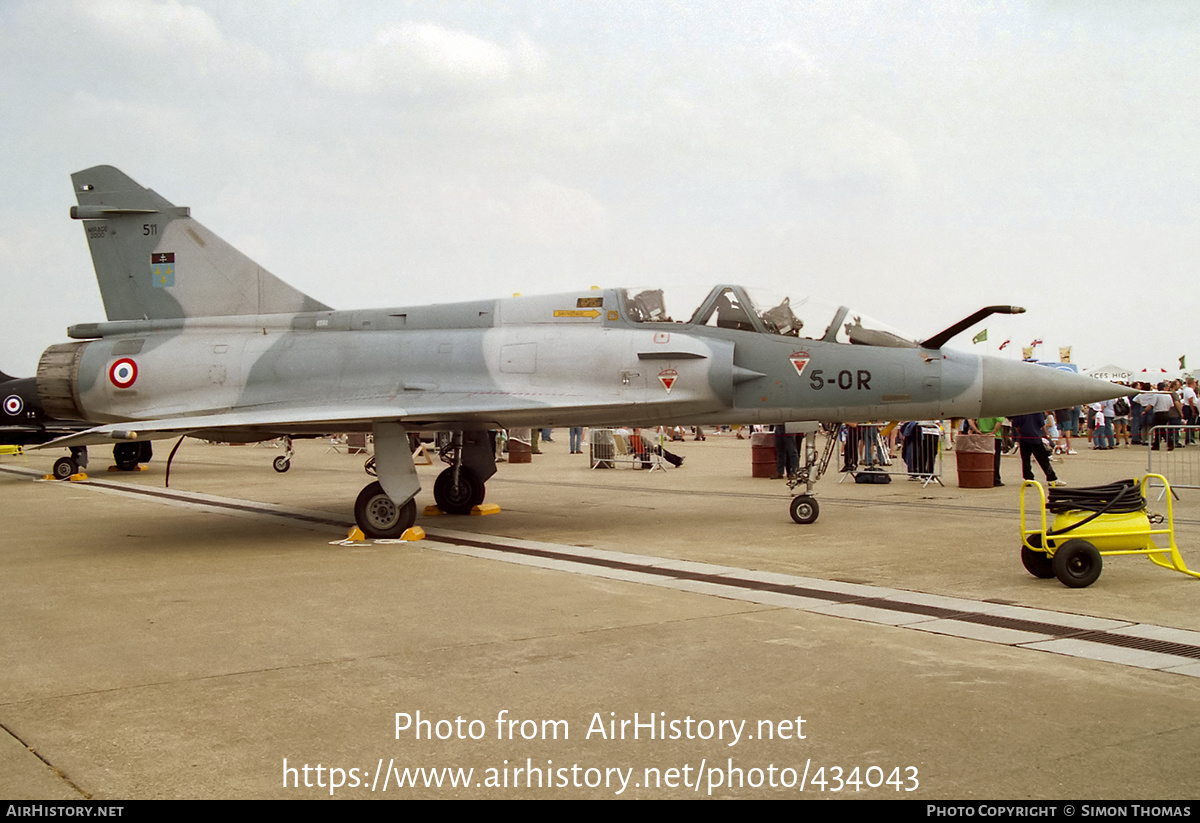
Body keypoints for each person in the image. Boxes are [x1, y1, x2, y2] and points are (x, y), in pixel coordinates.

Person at [1011, 411, 1061, 485]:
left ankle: (1028, 478)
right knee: (1043, 459)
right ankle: (1052, 478)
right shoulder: (1037, 410)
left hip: (1024, 437)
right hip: (1035, 437)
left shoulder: (1020, 410)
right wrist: (1046, 434)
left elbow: (1015, 425)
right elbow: (1041, 423)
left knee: (1025, 459)